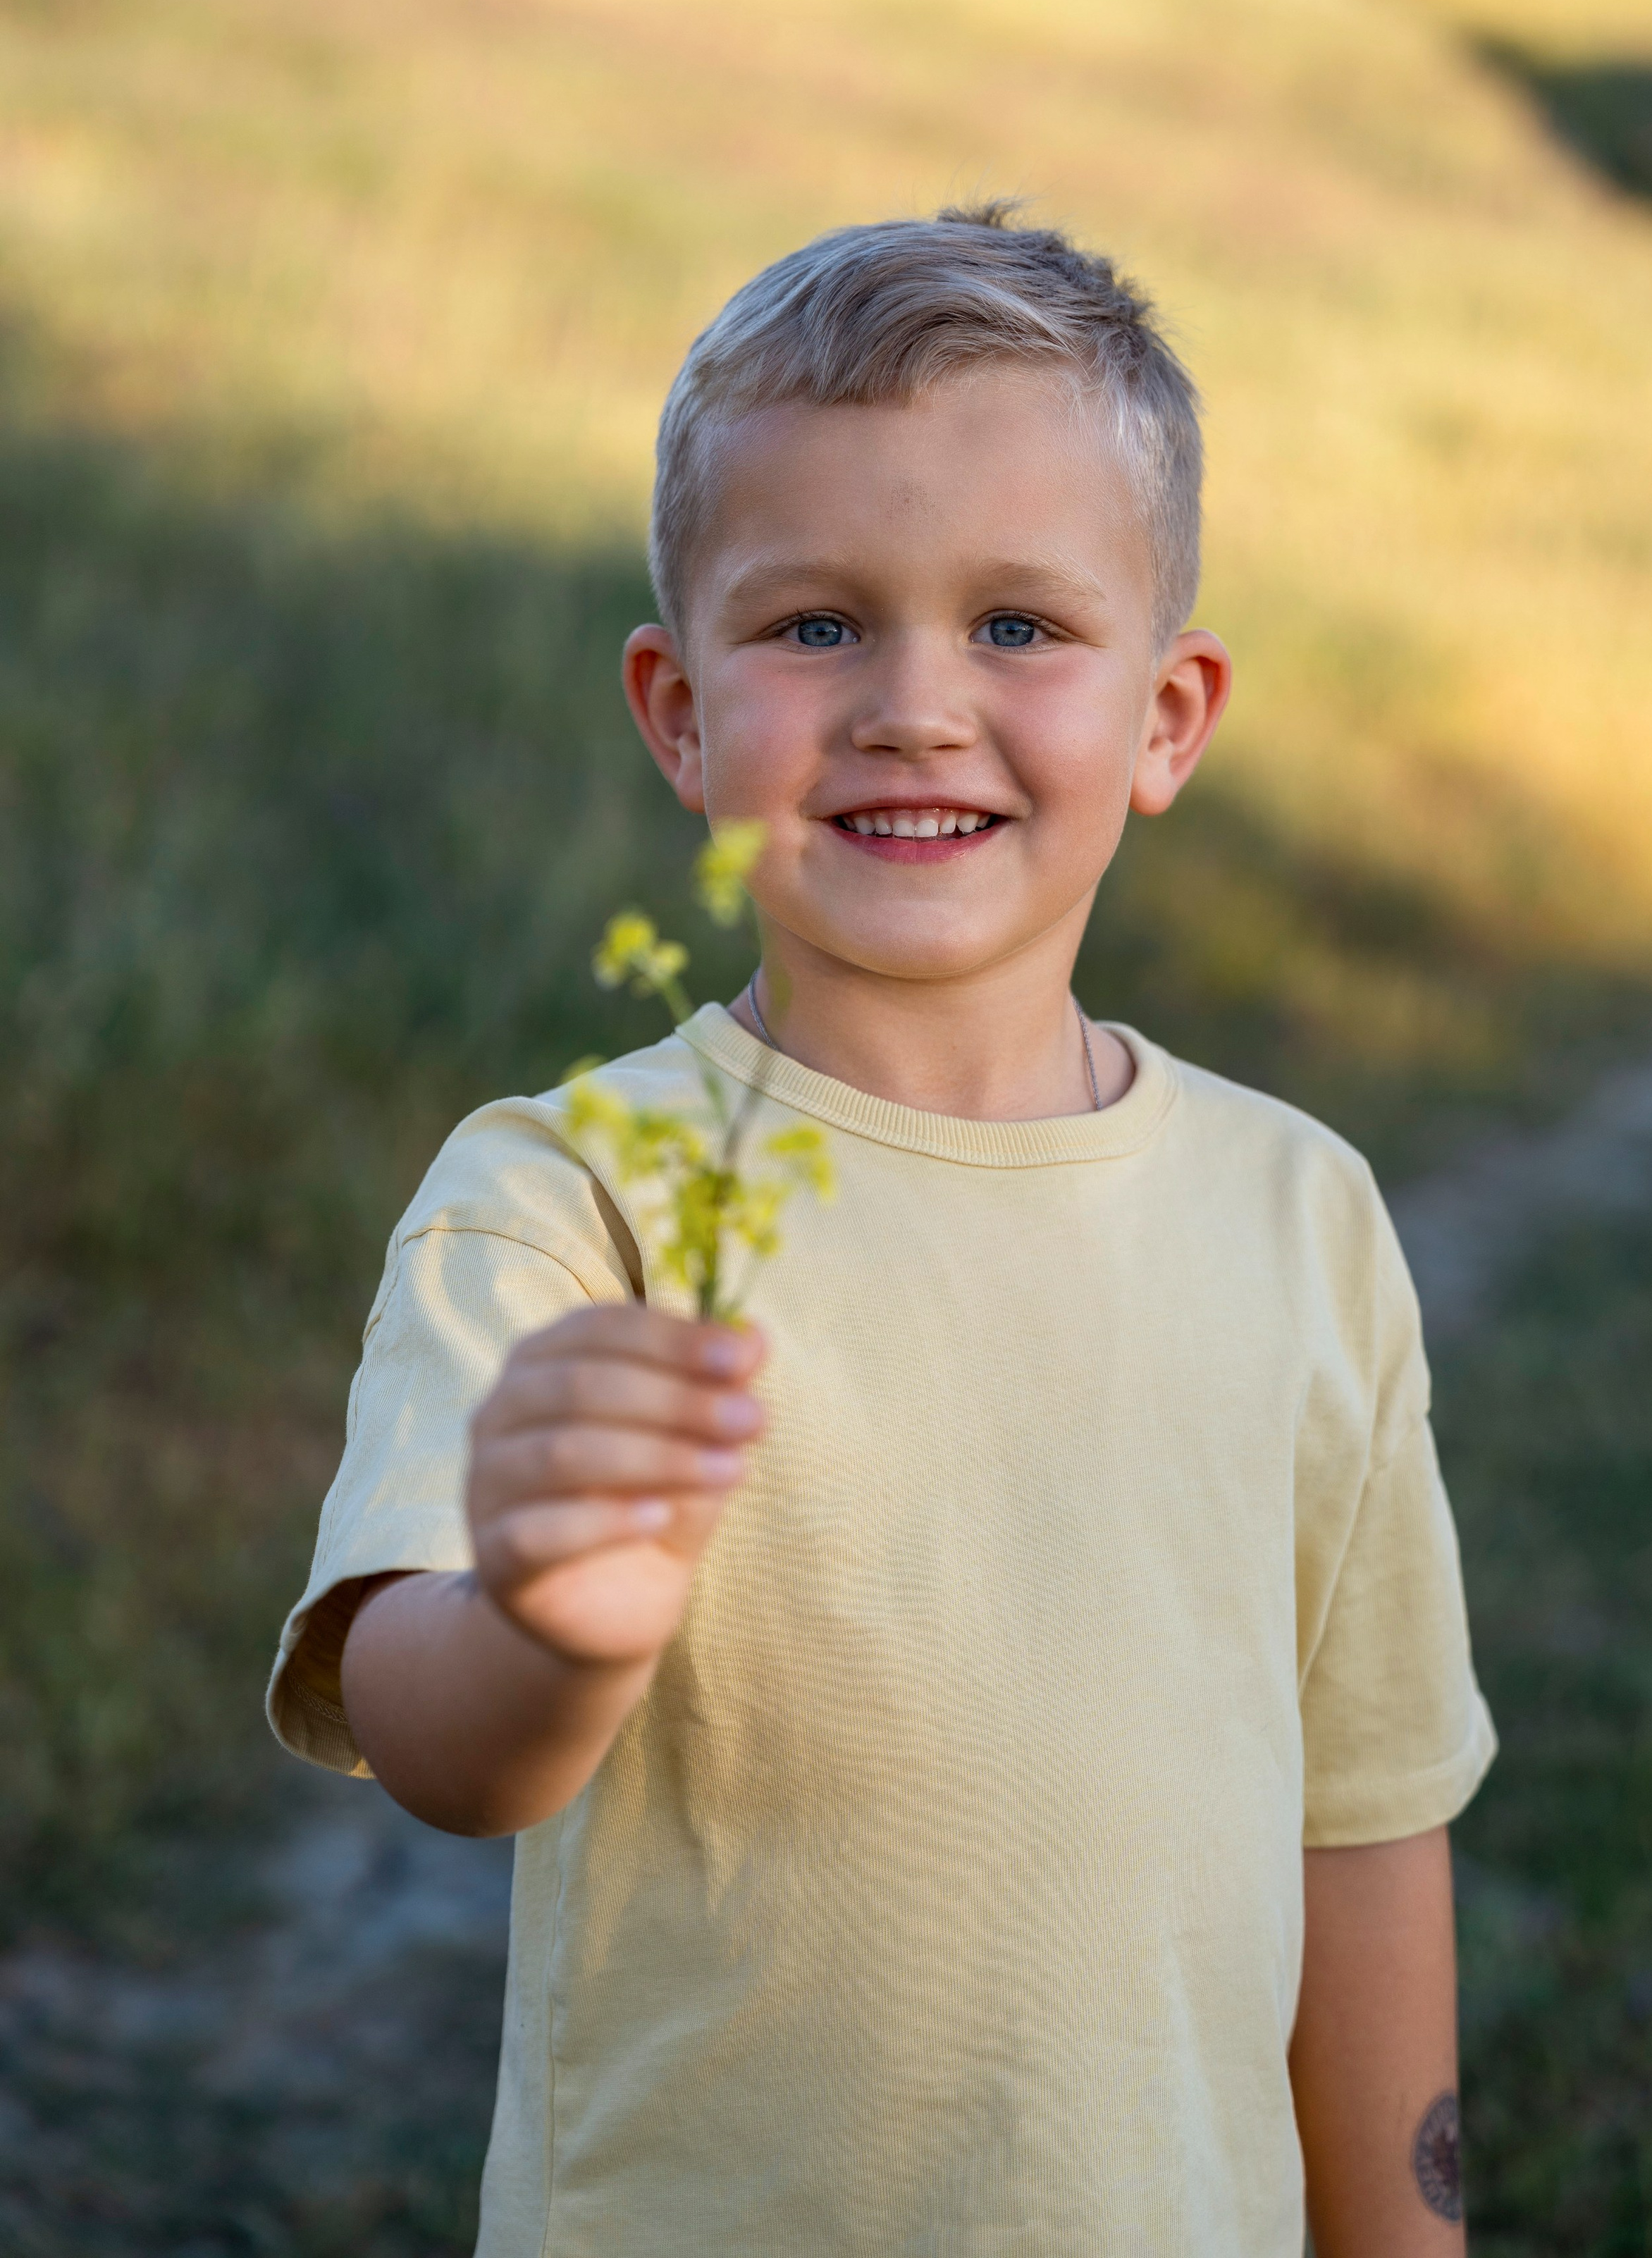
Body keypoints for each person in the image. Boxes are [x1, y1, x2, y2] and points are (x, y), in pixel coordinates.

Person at [269, 206, 1494, 2258]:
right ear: (678, 713)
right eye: (817, 624)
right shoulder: (568, 1203)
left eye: (1020, 626)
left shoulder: (1305, 1218)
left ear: (1170, 717)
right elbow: (434, 1741)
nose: (919, 705)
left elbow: (1364, 1829)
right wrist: (547, 1625)